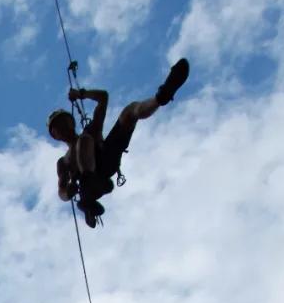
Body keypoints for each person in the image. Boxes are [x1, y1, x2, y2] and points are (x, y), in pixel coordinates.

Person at [49, 58, 190, 228]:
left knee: (129, 112)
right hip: (93, 180)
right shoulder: (64, 163)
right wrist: (68, 192)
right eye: (57, 126)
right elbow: (61, 191)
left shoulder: (91, 130)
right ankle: (89, 191)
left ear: (71, 122)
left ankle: (160, 98)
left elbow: (103, 98)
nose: (62, 127)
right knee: (84, 140)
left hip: (106, 159)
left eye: (63, 121)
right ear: (54, 135)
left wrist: (81, 94)